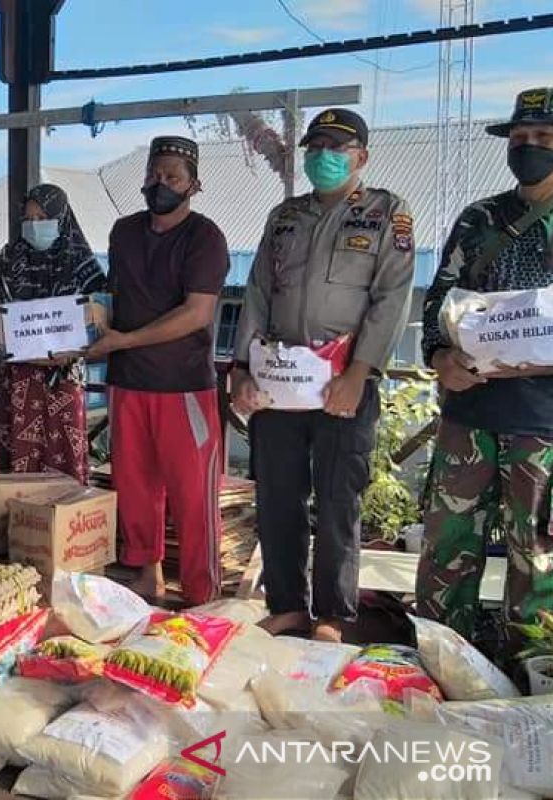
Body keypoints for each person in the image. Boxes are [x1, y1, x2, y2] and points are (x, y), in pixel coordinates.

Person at [231, 109, 416, 642]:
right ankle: (286, 604)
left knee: (339, 500)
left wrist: (361, 371)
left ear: (361, 156)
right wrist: (243, 367)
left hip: (343, 382)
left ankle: (333, 615)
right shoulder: (284, 216)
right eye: (315, 147)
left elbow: (391, 296)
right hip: (281, 382)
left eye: (337, 147)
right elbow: (259, 294)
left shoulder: (387, 214)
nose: (323, 156)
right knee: (279, 496)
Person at [416, 87, 553, 641]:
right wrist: (440, 355)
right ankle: (441, 664)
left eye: (543, 138)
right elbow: (438, 300)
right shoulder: (480, 218)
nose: (529, 147)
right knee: (446, 552)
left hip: (544, 425)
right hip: (469, 414)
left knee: (538, 563)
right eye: (519, 138)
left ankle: (534, 682)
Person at [85, 137, 229, 605]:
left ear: (195, 185)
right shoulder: (123, 232)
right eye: (154, 173)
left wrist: (122, 340)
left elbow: (197, 314)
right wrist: (92, 326)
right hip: (128, 384)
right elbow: (115, 298)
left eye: (173, 176)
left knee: (193, 498)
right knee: (135, 489)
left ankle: (202, 594)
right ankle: (148, 577)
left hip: (183, 388)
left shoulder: (205, 237)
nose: (161, 183)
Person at [0, 184, 105, 484]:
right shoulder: (9, 259)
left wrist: (74, 350)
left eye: (43, 218)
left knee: (62, 462)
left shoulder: (81, 264)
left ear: (61, 219)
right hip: (14, 382)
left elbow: (99, 321)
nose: (35, 226)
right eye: (29, 219)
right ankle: (13, 529)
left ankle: (63, 528)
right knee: (13, 464)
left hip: (61, 380)